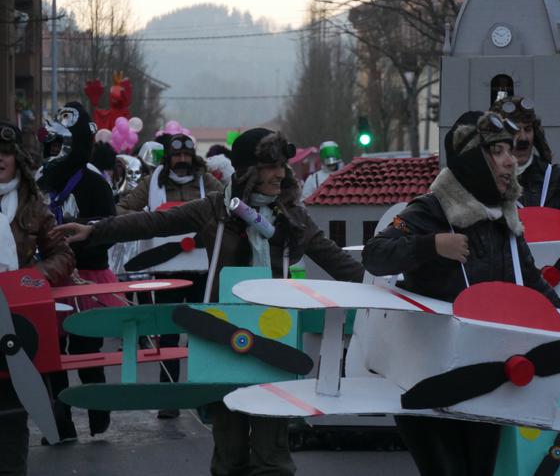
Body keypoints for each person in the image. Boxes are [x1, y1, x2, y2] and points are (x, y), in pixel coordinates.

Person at [53, 127, 365, 476]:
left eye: (282, 166)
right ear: (247, 172)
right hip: (222, 337)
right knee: (229, 453)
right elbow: (153, 222)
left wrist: (385, 288)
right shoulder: (215, 210)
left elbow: (336, 259)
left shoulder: (292, 216)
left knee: (273, 456)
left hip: (274, 338)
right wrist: (95, 230)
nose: (280, 174)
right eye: (270, 166)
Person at [362, 111, 560, 475]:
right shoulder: (429, 208)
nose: (511, 160)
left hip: (487, 374)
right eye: (498, 151)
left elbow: (531, 282)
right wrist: (431, 244)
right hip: (426, 378)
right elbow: (375, 255)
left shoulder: (505, 216)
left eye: (511, 150)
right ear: (473, 160)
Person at [116, 132, 223, 418]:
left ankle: (204, 396)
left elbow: (230, 203)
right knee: (168, 334)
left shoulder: (207, 182)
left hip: (202, 270)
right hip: (166, 271)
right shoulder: (152, 182)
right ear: (168, 158)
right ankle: (169, 396)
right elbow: (123, 208)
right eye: (177, 156)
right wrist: (142, 223)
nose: (182, 160)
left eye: (187, 155)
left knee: (203, 334)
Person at [37, 102, 119, 441]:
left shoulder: (95, 182)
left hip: (86, 278)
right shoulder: (39, 181)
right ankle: (61, 423)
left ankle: (97, 409)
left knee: (86, 351)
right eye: (52, 142)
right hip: (47, 278)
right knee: (51, 353)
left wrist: (75, 250)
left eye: (61, 142)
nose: (54, 149)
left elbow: (109, 230)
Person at [0, 120, 74, 476]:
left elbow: (63, 254)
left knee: (13, 418)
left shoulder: (34, 206)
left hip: (18, 325)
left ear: (17, 158)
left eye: (5, 153)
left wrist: (30, 279)